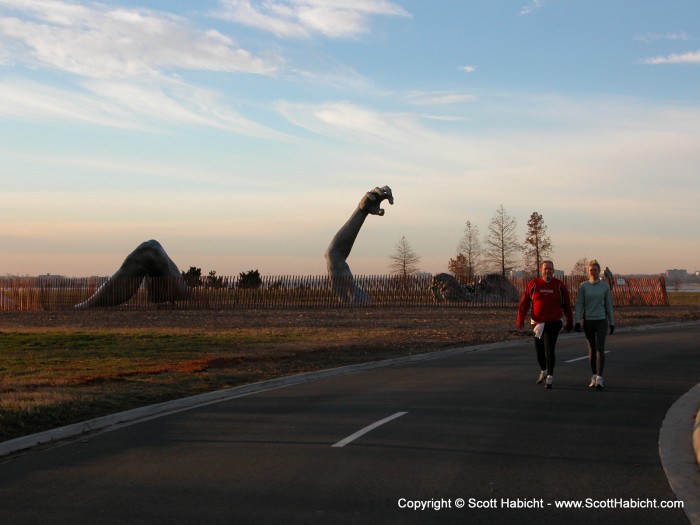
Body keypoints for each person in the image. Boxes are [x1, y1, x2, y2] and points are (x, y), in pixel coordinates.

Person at [517, 260, 574, 389]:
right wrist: (520, 319)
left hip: (553, 323)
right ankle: (543, 371)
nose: (547, 271)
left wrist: (569, 320)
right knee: (539, 351)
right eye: (545, 269)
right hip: (537, 323)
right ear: (541, 270)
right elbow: (524, 303)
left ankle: (550, 377)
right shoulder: (534, 284)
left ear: (553, 271)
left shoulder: (559, 286)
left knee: (549, 348)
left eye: (550, 269)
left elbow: (567, 305)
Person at [574, 259, 615, 390]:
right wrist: (577, 321)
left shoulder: (604, 286)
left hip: (601, 321)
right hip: (589, 321)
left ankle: (600, 378)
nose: (593, 273)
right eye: (591, 270)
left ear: (599, 271)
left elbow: (608, 305)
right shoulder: (583, 286)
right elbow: (580, 304)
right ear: (588, 272)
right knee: (592, 349)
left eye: (595, 270)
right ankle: (593, 375)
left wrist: (612, 322)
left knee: (600, 349)